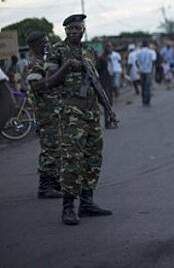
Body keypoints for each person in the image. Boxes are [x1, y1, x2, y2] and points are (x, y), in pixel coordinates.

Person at [46, 14, 113, 225]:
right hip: (70, 114)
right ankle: (68, 208)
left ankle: (87, 203)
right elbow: (49, 82)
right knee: (72, 160)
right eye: (69, 29)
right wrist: (66, 66)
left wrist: (108, 109)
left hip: (92, 113)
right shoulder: (57, 50)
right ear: (65, 31)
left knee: (93, 159)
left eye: (77, 28)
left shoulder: (90, 51)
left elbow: (95, 83)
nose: (73, 32)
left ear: (83, 29)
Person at [25, 31, 63, 199]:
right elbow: (37, 86)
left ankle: (54, 182)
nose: (47, 45)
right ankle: (45, 186)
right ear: (34, 45)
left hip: (52, 110)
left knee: (56, 147)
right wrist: (54, 78)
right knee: (50, 148)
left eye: (48, 42)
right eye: (44, 43)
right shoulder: (35, 63)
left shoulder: (44, 61)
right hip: (45, 113)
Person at [96, 41, 116, 129]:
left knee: (110, 103)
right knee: (107, 103)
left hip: (109, 81)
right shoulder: (101, 58)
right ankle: (107, 123)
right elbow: (97, 70)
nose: (110, 48)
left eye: (110, 47)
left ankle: (110, 121)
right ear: (105, 48)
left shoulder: (108, 57)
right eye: (108, 47)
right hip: (104, 83)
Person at [135, 40, 157, 106]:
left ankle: (143, 101)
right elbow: (153, 61)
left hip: (141, 71)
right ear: (147, 45)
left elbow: (136, 61)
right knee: (148, 86)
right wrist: (152, 69)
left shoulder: (138, 52)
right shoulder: (151, 52)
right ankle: (147, 101)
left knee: (143, 86)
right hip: (148, 71)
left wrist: (139, 68)